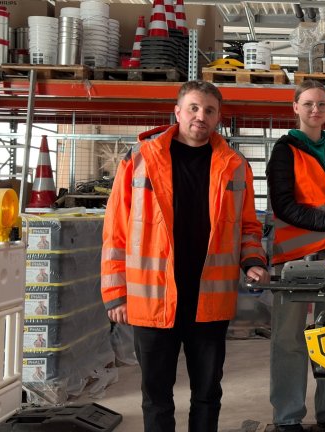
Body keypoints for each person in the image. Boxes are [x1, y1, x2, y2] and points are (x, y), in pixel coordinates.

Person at [101, 80, 268, 432]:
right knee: (156, 396)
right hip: (153, 300)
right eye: (193, 108)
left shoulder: (235, 166)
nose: (200, 116)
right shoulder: (140, 159)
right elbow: (115, 231)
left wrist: (254, 261)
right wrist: (115, 293)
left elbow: (249, 227)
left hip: (208, 301)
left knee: (207, 393)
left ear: (218, 117)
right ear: (177, 112)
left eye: (209, 110)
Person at [266, 80, 325, 432]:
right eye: (309, 104)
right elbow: (283, 206)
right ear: (295, 107)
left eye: (323, 105)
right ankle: (287, 418)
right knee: (289, 339)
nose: (316, 110)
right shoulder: (285, 150)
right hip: (295, 259)